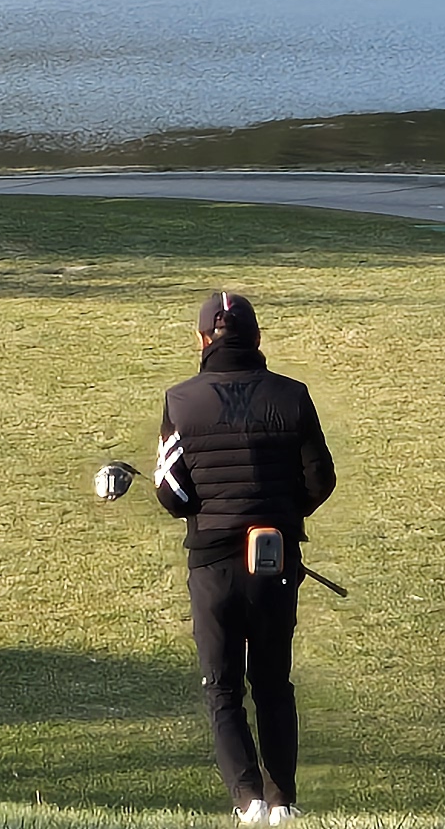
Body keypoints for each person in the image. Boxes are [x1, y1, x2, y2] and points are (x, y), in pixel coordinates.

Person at [152, 291, 336, 822]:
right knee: (274, 683)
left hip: (212, 563)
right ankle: (283, 802)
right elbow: (319, 479)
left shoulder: (182, 401)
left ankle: (247, 799)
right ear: (256, 337)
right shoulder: (293, 397)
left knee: (222, 685)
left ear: (202, 338)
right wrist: (281, 515)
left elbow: (171, 493)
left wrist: (208, 512)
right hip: (275, 560)